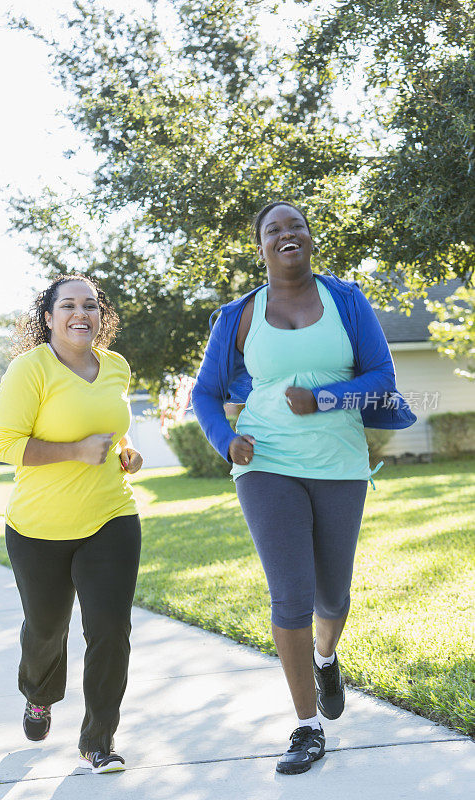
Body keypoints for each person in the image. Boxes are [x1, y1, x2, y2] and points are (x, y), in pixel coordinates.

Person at [191, 201, 416, 775]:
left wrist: (324, 399)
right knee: (289, 593)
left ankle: (326, 657)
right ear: (261, 246)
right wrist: (226, 440)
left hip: (338, 461)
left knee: (332, 598)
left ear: (310, 238)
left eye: (295, 226)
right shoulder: (241, 315)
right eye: (273, 230)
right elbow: (206, 392)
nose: (286, 234)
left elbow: (381, 379)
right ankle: (306, 725)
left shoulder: (346, 301)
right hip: (266, 461)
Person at [0, 274, 143, 774]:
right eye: (69, 305)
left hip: (110, 516)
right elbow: (5, 445)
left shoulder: (117, 366)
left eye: (91, 305)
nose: (82, 313)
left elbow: (113, 430)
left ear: (102, 315)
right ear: (50, 316)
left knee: (110, 630)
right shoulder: (29, 369)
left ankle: (99, 739)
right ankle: (38, 695)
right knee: (45, 629)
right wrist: (76, 452)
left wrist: (125, 452)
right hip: (38, 528)